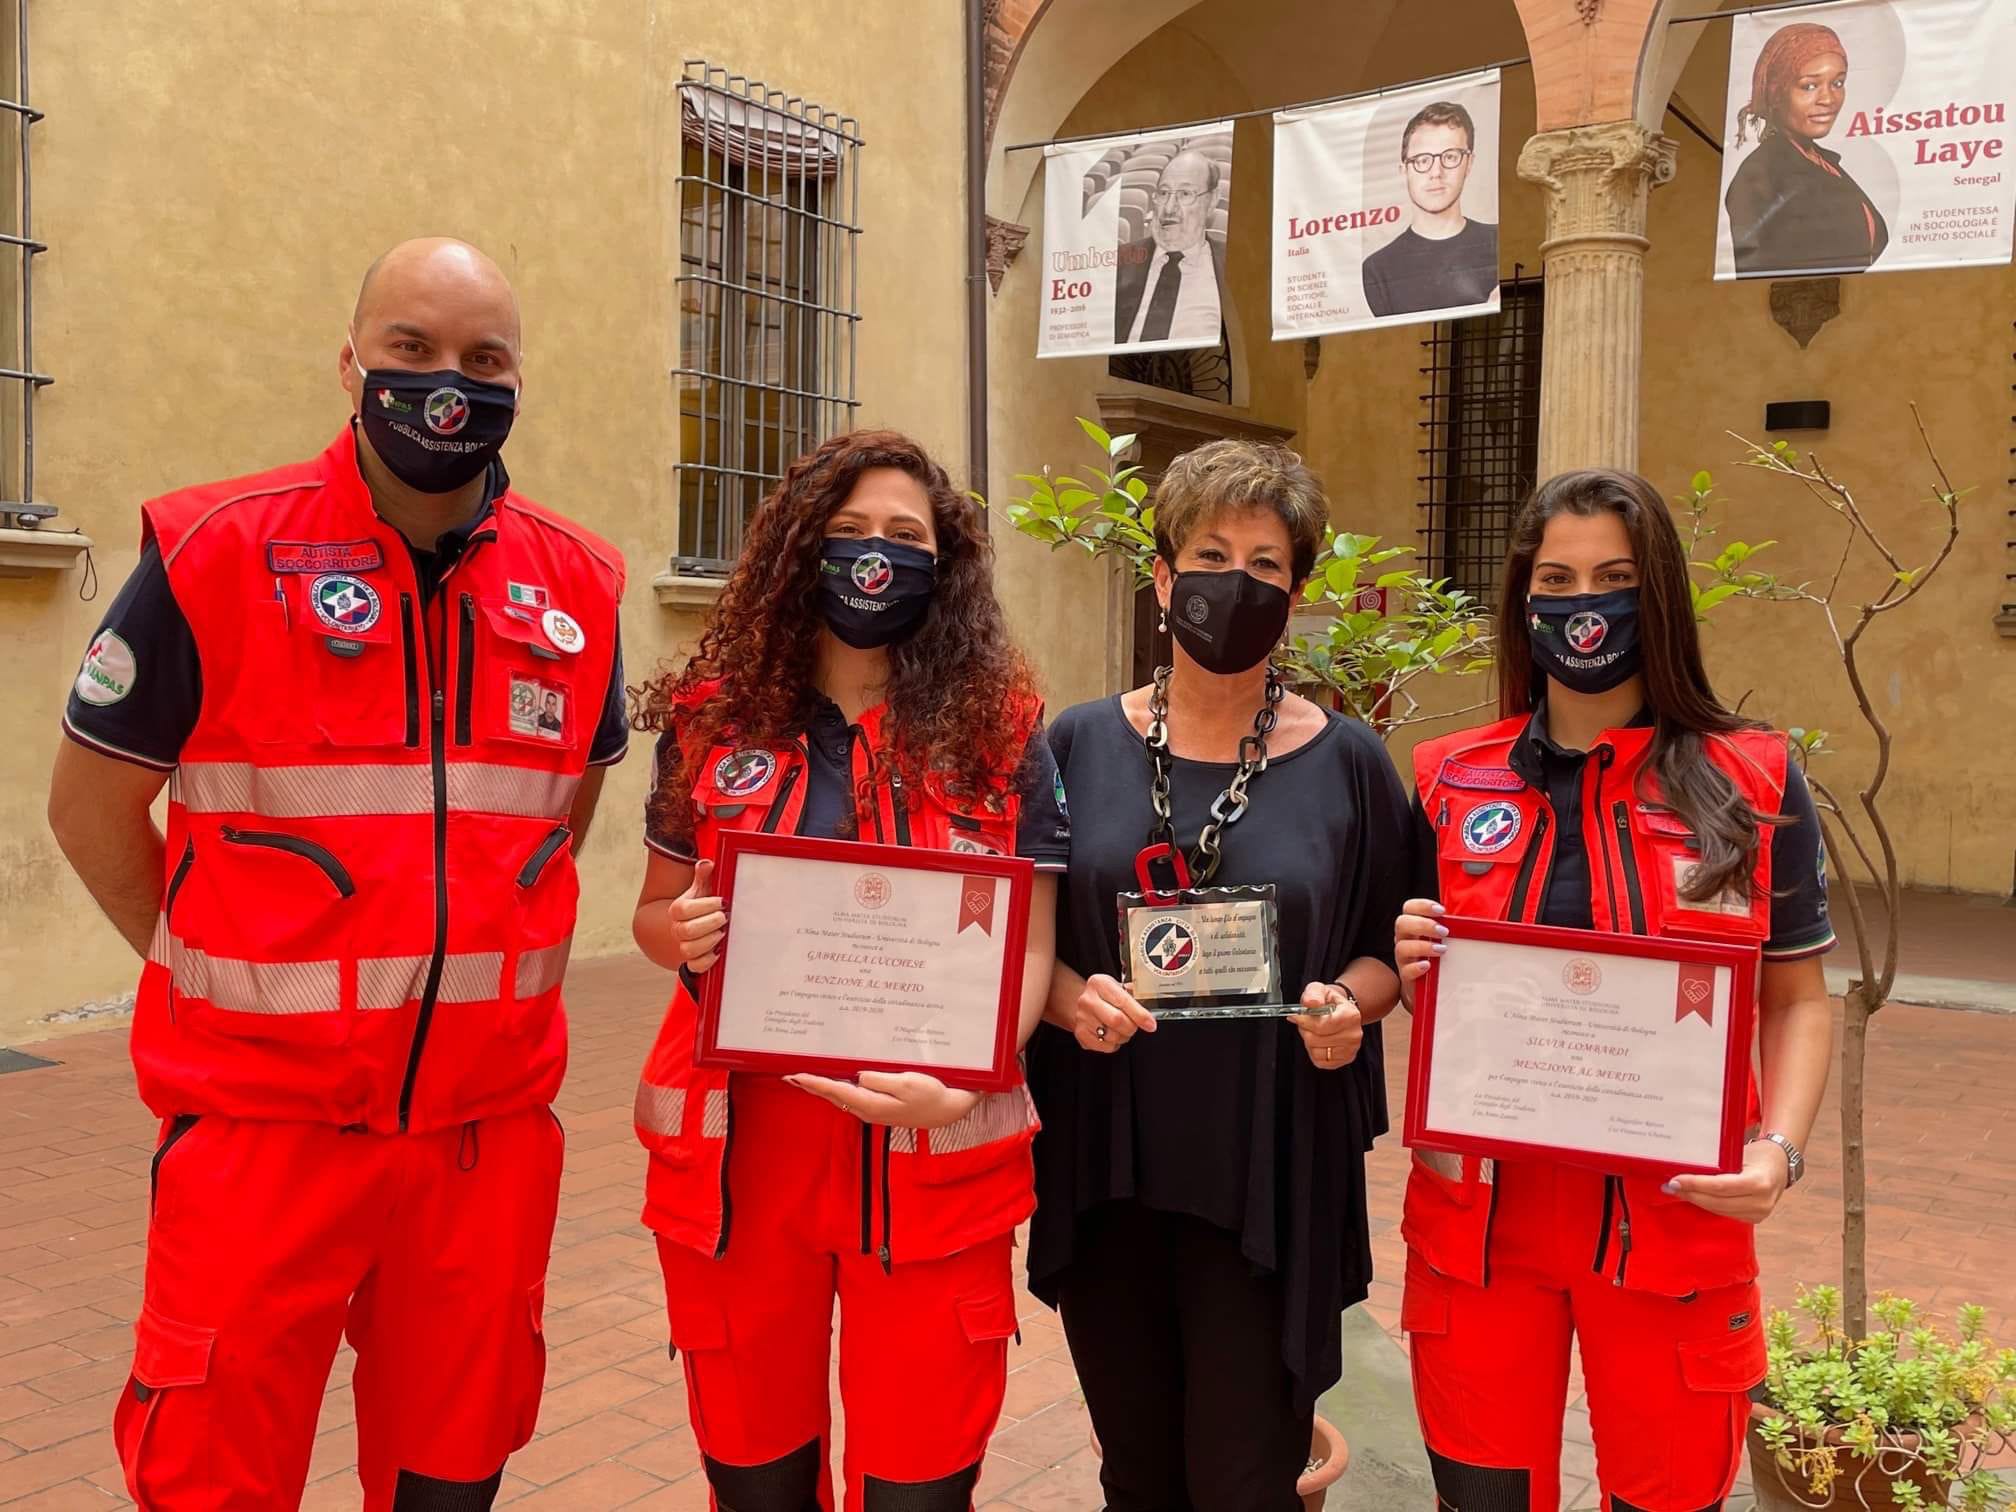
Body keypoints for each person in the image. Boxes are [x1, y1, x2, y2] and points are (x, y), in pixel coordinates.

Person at [45, 238, 630, 1507]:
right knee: (215, 1475)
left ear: (520, 380)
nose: (446, 384)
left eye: (484, 359)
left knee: (451, 1471)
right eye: (410, 350)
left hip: (482, 1147)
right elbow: (91, 807)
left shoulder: (580, 585)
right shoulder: (213, 550)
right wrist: (204, 958)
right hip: (265, 1135)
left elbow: (557, 818)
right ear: (351, 360)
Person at [629, 430, 1067, 1512]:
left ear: (945, 564)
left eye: (907, 537)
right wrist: (674, 934)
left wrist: (966, 1079)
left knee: (917, 1490)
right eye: (851, 532)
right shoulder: (712, 717)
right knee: (758, 1482)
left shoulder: (1002, 732)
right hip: (743, 1163)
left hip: (927, 1156)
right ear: (799, 549)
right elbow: (652, 912)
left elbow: (1033, 942)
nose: (877, 557)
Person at [1394, 469, 1836, 1511]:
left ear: (1660, 597)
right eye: (1556, 577)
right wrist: (1410, 965)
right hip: (1481, 1227)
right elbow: (1433, 990)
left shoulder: (1753, 779)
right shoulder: (1449, 780)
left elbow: (1799, 997)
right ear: (1522, 597)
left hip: (1677, 1221)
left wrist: (1781, 1150)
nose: (1581, 603)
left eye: (1613, 578)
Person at [1025, 439, 1411, 1511]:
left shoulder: (1350, 763)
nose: (1236, 584)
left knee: (1245, 1478)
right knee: (1138, 1472)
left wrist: (1352, 1004)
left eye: (1268, 564)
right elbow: (1025, 937)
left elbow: (1390, 942)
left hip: (1267, 1166)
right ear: (1161, 578)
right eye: (1210, 553)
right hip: (1110, 1161)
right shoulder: (1076, 746)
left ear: (1295, 593)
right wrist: (1064, 998)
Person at [1725, 22, 1889, 277]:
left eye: (1837, 83)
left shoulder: (1824, 162)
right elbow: (1761, 272)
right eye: (1809, 86)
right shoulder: (1760, 176)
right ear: (1777, 93)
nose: (1828, 99)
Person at [1362, 100, 1500, 319]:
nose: (1436, 172)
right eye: (1422, 160)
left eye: (1450, 157)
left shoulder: (1498, 242)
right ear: (1404, 170)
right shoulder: (1377, 270)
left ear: (1469, 163)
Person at [1114, 147, 1228, 347]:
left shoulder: (1235, 266)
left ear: (1212, 201)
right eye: (1164, 193)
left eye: (1185, 194)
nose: (1168, 208)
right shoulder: (1119, 262)